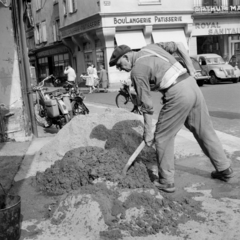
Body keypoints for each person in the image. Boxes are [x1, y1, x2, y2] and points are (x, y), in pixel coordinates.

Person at [109, 42, 233, 193]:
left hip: (178, 94)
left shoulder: (137, 71)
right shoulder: (151, 47)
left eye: (119, 64)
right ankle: (224, 168)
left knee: (162, 137)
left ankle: (166, 181)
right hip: (191, 84)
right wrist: (191, 69)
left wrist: (148, 131)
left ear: (127, 57)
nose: (119, 68)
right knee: (204, 130)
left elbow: (147, 106)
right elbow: (179, 46)